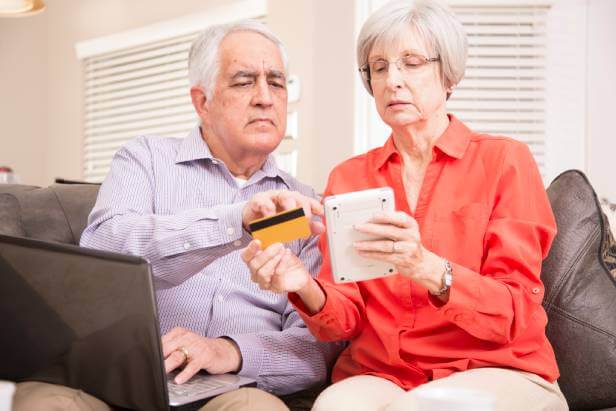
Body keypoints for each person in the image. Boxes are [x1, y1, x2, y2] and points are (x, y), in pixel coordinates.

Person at [242, 1, 569, 410]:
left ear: (448, 76)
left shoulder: (505, 161)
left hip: (498, 369)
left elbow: (515, 311)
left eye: (411, 63)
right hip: (385, 374)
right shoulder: (348, 178)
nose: (392, 80)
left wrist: (426, 267)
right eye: (378, 68)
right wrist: (305, 287)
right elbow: (346, 319)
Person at [13, 20, 341, 411]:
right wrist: (235, 221)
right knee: (40, 400)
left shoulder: (305, 205)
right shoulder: (145, 160)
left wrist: (228, 351)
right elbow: (104, 245)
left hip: (233, 391)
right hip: (125, 382)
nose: (265, 97)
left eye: (276, 82)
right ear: (202, 101)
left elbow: (315, 348)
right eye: (243, 81)